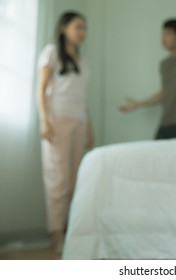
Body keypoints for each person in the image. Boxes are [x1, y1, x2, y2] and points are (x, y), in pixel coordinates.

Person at [37, 11, 94, 257]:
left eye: (85, 28)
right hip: (57, 121)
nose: (82, 32)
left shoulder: (83, 62)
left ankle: (71, 233)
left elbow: (82, 101)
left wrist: (89, 129)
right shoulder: (51, 52)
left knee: (73, 180)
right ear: (64, 29)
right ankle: (56, 235)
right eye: (78, 27)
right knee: (57, 180)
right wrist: (44, 120)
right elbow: (40, 89)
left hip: (79, 123)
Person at [120, 0, 176, 139]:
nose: (163, 38)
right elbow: (164, 94)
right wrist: (138, 104)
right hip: (165, 123)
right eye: (163, 33)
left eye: (168, 34)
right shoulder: (164, 64)